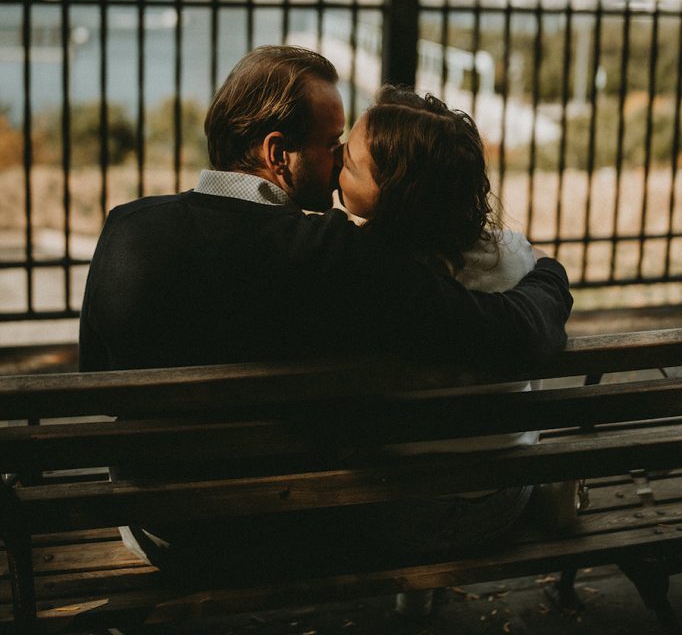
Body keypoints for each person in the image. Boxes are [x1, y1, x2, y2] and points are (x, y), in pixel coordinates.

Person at [79, 45, 572, 577]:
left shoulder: (125, 231)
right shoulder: (333, 256)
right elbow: (512, 336)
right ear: (277, 153)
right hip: (283, 530)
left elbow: (96, 375)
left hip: (159, 529)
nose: (341, 160)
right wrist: (548, 275)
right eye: (333, 144)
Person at [336, 85, 550, 615]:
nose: (336, 159)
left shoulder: (355, 273)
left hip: (392, 515)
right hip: (500, 503)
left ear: (395, 192)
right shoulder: (518, 259)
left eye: (347, 161)